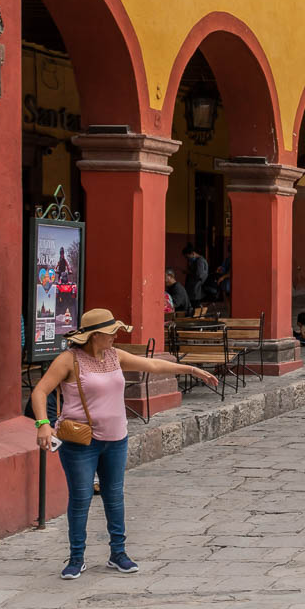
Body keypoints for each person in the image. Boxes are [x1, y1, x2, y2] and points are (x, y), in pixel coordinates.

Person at [30, 309, 217, 578]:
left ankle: (118, 553)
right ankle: (76, 557)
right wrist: (43, 424)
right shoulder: (69, 360)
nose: (115, 336)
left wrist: (191, 369)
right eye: (110, 333)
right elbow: (40, 391)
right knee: (81, 498)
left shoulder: (115, 356)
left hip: (116, 439)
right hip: (81, 442)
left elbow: (152, 365)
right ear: (94, 336)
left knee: (114, 496)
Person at [181, 243, 209, 307]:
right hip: (193, 288)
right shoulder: (196, 261)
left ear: (193, 253)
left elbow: (199, 274)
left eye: (187, 257)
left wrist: (189, 272)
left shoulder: (200, 261)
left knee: (195, 305)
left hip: (196, 288)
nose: (187, 258)